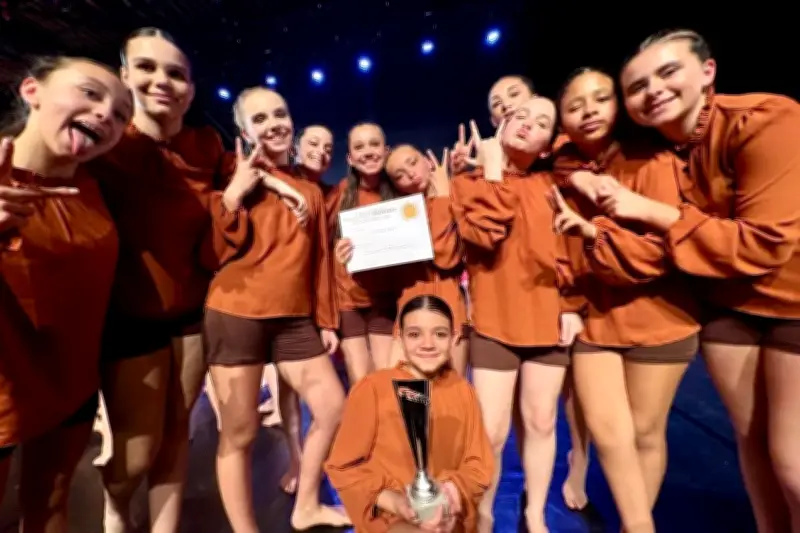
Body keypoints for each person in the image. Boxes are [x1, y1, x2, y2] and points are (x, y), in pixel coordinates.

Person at [612, 28, 800, 532]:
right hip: (725, 307)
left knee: (792, 460)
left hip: (792, 301)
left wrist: (652, 212)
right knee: (752, 442)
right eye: (637, 86)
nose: (653, 90)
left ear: (707, 70)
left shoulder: (766, 118)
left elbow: (764, 244)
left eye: (668, 72)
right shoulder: (653, 151)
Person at [552, 66, 700, 530]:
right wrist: (578, 178)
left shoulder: (654, 162)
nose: (589, 111)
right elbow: (557, 157)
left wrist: (595, 232)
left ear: (620, 104)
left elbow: (662, 254)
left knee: (645, 432)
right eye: (575, 106)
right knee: (609, 434)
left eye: (600, 98)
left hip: (660, 316)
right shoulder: (565, 169)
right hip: (596, 317)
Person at [205, 86, 349, 532]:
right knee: (240, 432)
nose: (273, 124)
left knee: (332, 407)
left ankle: (306, 507)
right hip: (237, 312)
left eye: (280, 114)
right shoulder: (230, 171)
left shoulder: (310, 189)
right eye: (260, 119)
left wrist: (326, 320)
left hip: (294, 318)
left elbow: (320, 261)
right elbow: (212, 249)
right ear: (244, 131)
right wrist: (239, 193)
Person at [0, 54, 131, 531]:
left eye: (120, 115)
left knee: (52, 503)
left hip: (70, 384)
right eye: (89, 93)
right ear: (31, 90)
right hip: (5, 391)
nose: (105, 115)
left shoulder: (95, 188)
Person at [451, 97, 584, 533]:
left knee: (542, 422)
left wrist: (571, 305)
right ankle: (485, 513)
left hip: (546, 318)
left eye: (542, 122)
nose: (528, 124)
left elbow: (569, 251)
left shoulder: (552, 185)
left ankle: (535, 513)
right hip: (494, 321)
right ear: (502, 124)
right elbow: (485, 234)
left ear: (548, 144)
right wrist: (493, 169)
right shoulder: (468, 182)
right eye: (520, 116)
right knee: (491, 431)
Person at [326, 294, 494, 532]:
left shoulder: (463, 391)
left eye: (440, 334)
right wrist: (396, 503)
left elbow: (478, 464)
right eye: (415, 334)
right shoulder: (373, 389)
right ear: (400, 337)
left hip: (450, 518)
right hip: (392, 520)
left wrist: (450, 495)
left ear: (454, 338)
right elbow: (344, 467)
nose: (427, 344)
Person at [383, 144, 469, 375]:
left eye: (412, 163)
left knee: (448, 392)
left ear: (427, 161)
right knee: (406, 393)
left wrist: (442, 197)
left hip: (449, 309)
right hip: (410, 309)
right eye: (399, 175)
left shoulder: (457, 196)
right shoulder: (399, 217)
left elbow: (445, 257)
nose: (410, 174)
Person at [329, 123, 401, 381]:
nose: (368, 152)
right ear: (349, 158)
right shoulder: (338, 194)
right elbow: (320, 247)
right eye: (359, 147)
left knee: (388, 377)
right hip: (349, 300)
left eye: (374, 144)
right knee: (360, 382)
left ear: (386, 150)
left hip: (386, 300)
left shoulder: (402, 192)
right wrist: (337, 254)